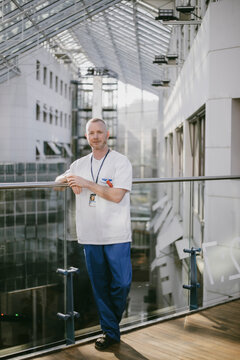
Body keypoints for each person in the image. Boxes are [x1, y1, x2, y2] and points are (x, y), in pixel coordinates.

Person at [55, 118, 132, 351]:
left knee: (122, 282)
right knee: (99, 286)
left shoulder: (121, 162)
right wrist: (69, 179)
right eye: (91, 133)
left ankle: (111, 324)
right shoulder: (78, 164)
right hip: (90, 235)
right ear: (86, 136)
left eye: (100, 132)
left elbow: (117, 195)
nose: (96, 136)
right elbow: (56, 183)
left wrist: (86, 183)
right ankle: (110, 333)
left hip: (117, 234)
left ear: (107, 134)